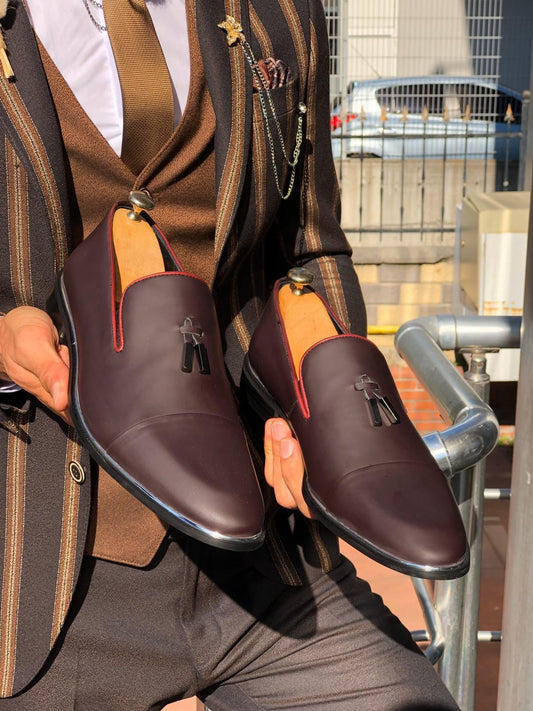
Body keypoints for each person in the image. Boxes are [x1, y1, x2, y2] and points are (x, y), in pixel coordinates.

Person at [0, 1, 460, 708]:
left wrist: (316, 411)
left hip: (260, 563)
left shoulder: (278, 11)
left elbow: (307, 245)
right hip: (34, 571)